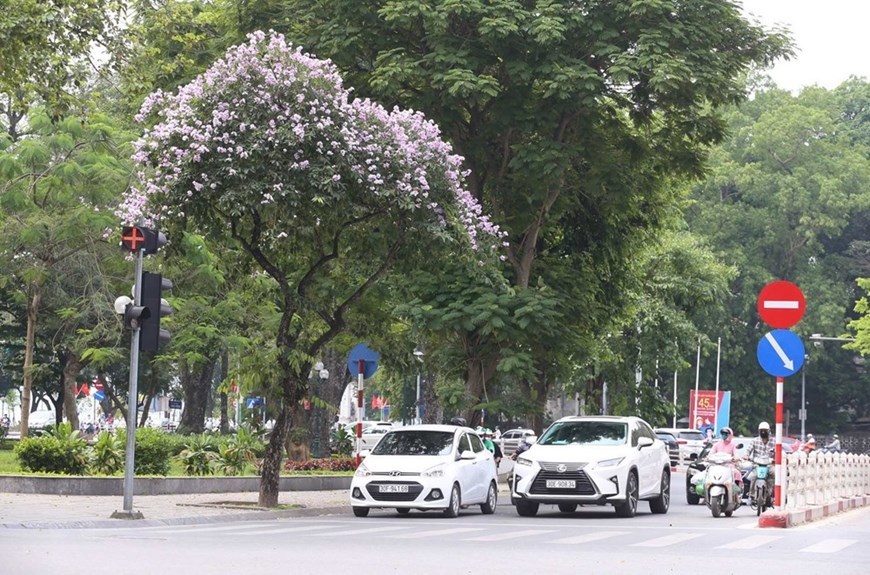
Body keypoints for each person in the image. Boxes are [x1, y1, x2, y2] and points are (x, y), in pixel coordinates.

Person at [746, 421, 775, 501]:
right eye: (761, 430)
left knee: (774, 474)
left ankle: (770, 494)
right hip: (757, 465)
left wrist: (776, 459)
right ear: (759, 431)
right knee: (752, 477)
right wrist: (746, 456)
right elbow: (748, 450)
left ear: (769, 431)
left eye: (765, 430)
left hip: (769, 465)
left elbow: (778, 452)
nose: (763, 432)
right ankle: (751, 495)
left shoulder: (773, 441)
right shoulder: (754, 441)